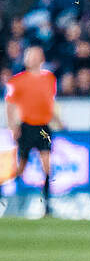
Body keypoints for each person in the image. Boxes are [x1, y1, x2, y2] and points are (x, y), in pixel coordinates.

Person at [5, 46, 62, 214]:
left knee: (47, 166)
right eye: (30, 55)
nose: (33, 58)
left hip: (43, 128)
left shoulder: (50, 79)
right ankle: (10, 200)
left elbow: (49, 103)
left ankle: (47, 205)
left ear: (41, 58)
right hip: (27, 127)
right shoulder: (17, 81)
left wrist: (59, 121)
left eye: (36, 55)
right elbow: (10, 106)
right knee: (21, 167)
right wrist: (13, 127)